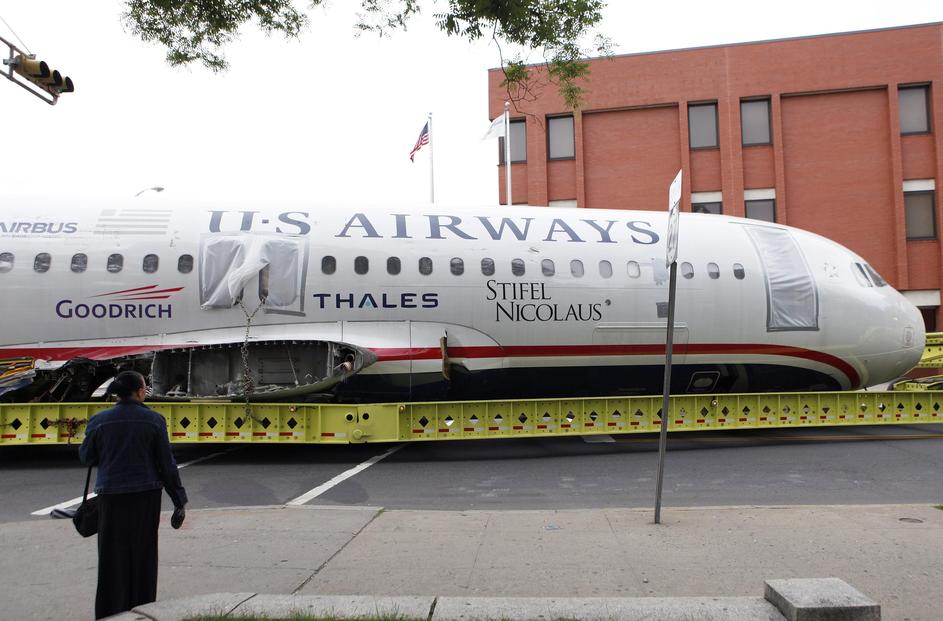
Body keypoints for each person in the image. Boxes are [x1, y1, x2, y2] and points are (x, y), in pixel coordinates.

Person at [79, 370, 188, 619]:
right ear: (140, 391)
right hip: (145, 497)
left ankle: (111, 613)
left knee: (111, 558)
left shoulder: (99, 421)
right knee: (143, 557)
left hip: (110, 497)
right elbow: (166, 465)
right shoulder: (154, 420)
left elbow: (87, 457)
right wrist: (179, 500)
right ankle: (142, 610)